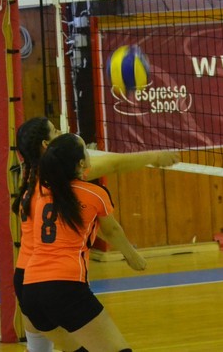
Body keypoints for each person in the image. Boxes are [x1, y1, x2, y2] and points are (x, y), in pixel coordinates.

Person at [19, 131, 175, 352]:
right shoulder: (94, 194)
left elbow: (83, 225)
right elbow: (111, 230)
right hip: (65, 286)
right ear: (81, 163)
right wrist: (132, 256)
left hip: (30, 291)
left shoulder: (41, 191)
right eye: (86, 150)